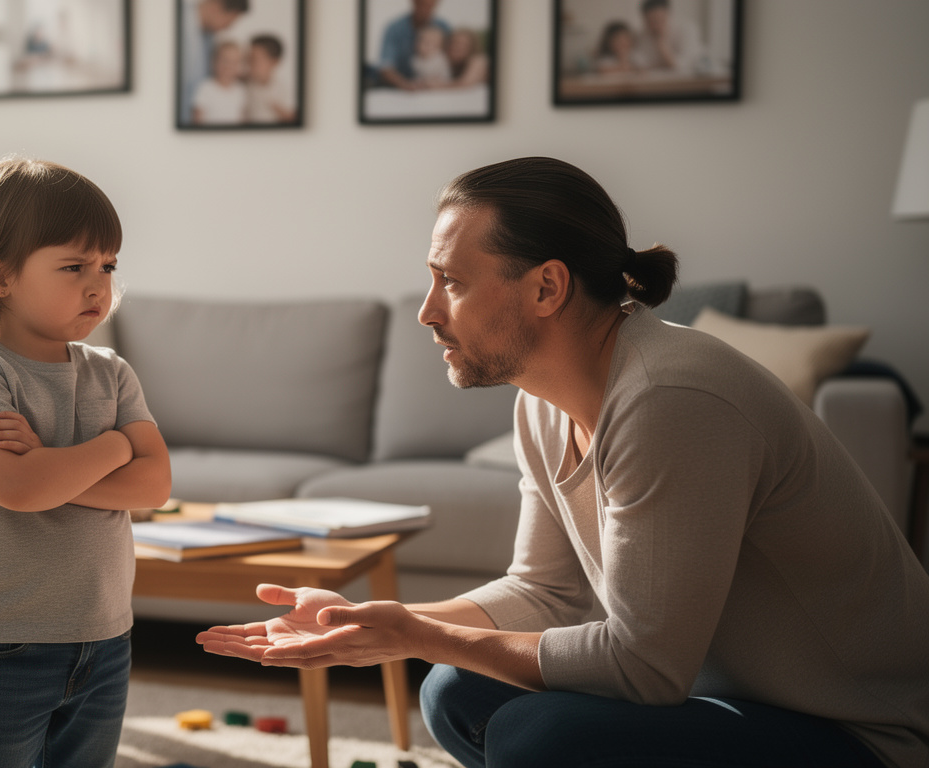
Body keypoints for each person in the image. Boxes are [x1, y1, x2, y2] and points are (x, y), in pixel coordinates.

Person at [197, 157, 929, 767]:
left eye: (451, 280)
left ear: (547, 286)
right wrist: (371, 626)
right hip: (721, 696)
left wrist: (415, 634)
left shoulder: (672, 396)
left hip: (861, 731)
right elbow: (545, 592)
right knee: (456, 688)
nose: (426, 310)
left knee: (537, 734)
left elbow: (644, 669)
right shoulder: (541, 402)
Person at [0, 157, 171, 767]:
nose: (99, 286)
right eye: (74, 267)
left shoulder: (112, 373)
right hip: (4, 640)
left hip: (105, 636)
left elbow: (153, 484)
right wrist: (115, 447)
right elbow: (19, 489)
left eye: (108, 266)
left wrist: (60, 465)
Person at [179, 0, 249, 124]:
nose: (228, 28)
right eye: (229, 21)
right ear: (216, 4)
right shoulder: (177, 22)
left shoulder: (209, 37)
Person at [374, 0, 450, 90]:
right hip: (399, 90)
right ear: (413, 2)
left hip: (435, 90)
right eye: (422, 4)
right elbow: (385, 66)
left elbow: (456, 60)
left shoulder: (443, 27)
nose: (426, 9)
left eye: (430, 5)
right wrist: (406, 85)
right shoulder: (395, 28)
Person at [634, 0, 704, 74]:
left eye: (659, 19)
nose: (655, 26)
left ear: (668, 14)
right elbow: (640, 63)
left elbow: (683, 66)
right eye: (650, 21)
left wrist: (662, 46)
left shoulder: (687, 29)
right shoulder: (643, 33)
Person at [191, 40, 246, 125]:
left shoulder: (241, 90)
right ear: (214, 61)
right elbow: (197, 119)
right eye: (225, 60)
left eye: (234, 62)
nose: (228, 66)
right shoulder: (206, 87)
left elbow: (243, 119)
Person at [245, 33, 295, 124]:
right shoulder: (243, 85)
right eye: (248, 58)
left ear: (274, 62)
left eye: (254, 59)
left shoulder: (286, 89)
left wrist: (275, 106)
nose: (249, 64)